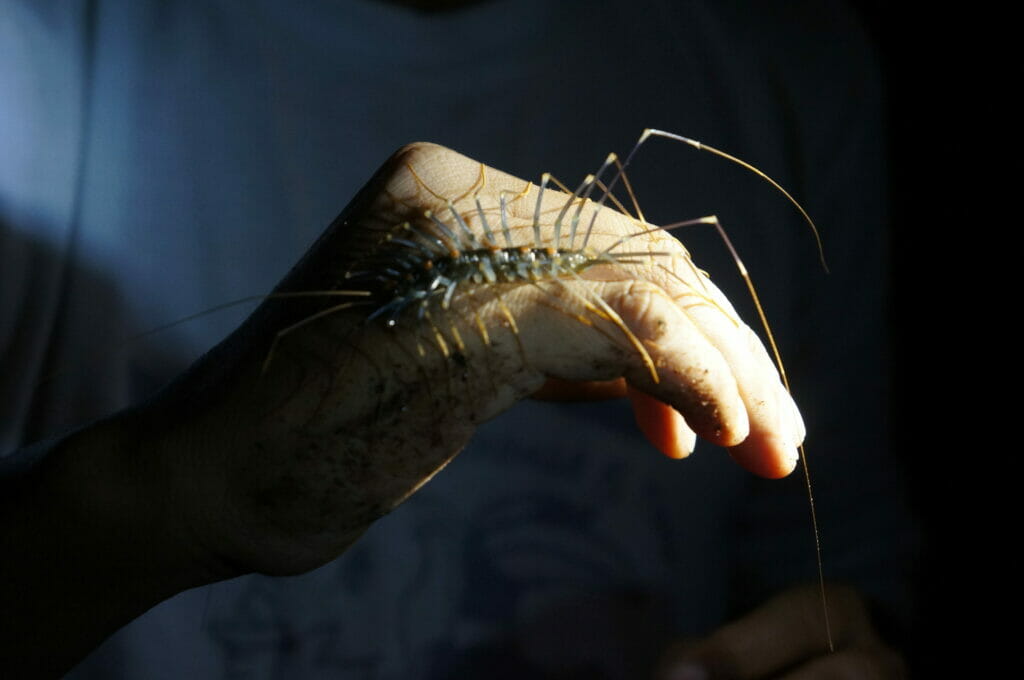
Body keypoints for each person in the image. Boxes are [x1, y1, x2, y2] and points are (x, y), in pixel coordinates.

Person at [1, 1, 911, 678]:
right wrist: (166, 490)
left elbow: (839, 554)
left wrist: (846, 640)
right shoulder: (35, 48)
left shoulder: (791, 67)